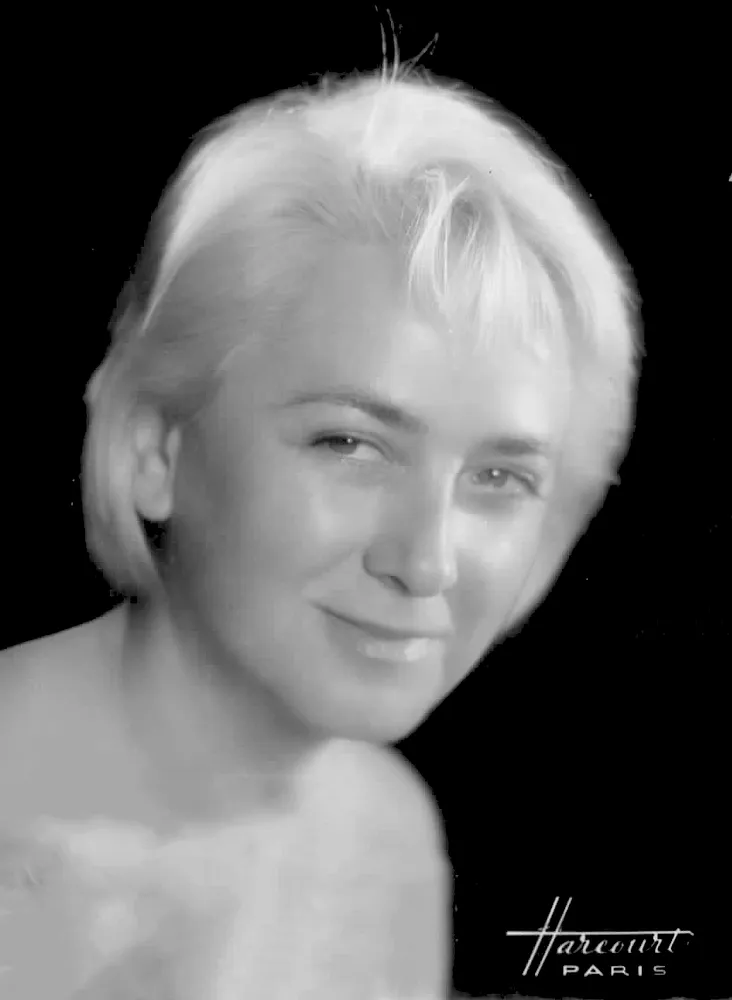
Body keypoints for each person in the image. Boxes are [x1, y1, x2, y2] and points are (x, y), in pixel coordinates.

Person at [0, 57, 640, 1000]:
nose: (426, 562)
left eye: (499, 477)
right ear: (155, 449)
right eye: (351, 443)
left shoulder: (386, 836)